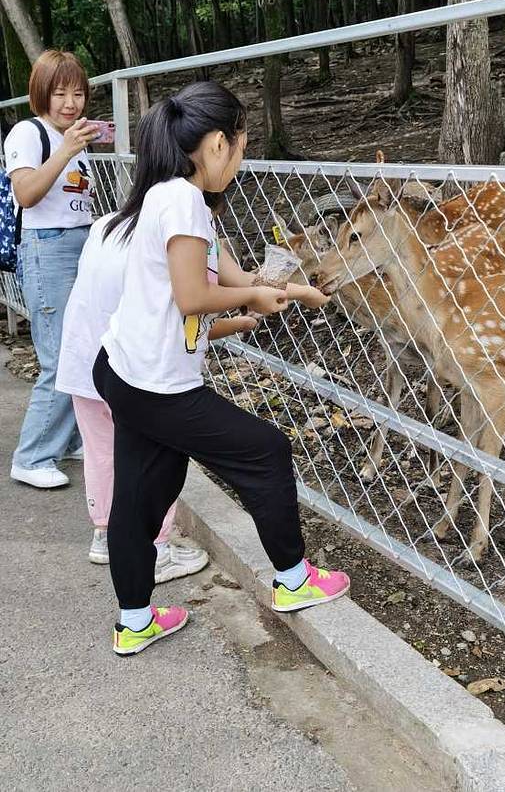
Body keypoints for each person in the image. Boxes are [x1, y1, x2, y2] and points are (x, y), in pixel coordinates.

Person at [92, 80, 350, 655]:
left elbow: (224, 272)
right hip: (158, 384)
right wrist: (250, 301)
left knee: (142, 491)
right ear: (215, 145)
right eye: (241, 146)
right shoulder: (182, 201)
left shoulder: (169, 195)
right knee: (265, 451)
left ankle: (134, 621)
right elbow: (191, 296)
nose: (240, 159)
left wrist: (287, 290)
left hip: (123, 369)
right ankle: (293, 579)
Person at [55, 204, 255, 581]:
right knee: (155, 459)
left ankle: (104, 534)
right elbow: (180, 314)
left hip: (85, 361)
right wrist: (237, 320)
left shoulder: (106, 224)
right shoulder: (177, 234)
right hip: (135, 371)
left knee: (102, 453)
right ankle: (157, 549)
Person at [4, 50, 100, 489]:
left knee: (83, 346)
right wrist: (65, 149)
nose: (70, 102)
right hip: (47, 250)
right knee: (60, 356)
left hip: (78, 247)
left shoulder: (71, 138)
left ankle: (67, 438)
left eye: (78, 93)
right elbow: (26, 193)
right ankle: (33, 456)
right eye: (60, 92)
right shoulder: (29, 132)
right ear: (40, 92)